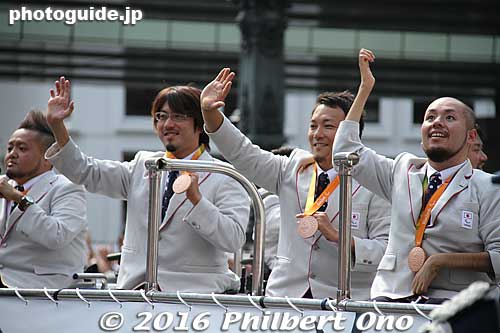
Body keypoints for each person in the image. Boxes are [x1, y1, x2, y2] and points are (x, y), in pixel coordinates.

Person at [45, 77, 250, 293]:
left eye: (178, 116)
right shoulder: (144, 164)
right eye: (161, 117)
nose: (167, 124)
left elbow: (234, 239)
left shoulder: (224, 175)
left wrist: (197, 201)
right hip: (135, 294)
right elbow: (87, 172)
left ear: (199, 124)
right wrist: (58, 127)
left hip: (194, 299)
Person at [200, 69, 391, 299]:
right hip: (286, 301)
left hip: (344, 305)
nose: (317, 134)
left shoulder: (373, 181)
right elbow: (244, 154)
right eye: (313, 126)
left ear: (349, 133)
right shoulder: (292, 167)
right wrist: (211, 114)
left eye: (328, 126)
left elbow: (386, 251)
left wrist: (342, 238)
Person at [333, 48, 500, 303]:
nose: (437, 122)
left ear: (471, 136)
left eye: (450, 117)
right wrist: (365, 88)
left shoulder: (488, 187)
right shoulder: (402, 169)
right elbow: (345, 153)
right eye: (429, 117)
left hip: (453, 305)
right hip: (390, 299)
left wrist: (440, 262)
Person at [0, 111, 87, 288]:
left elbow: (56, 236)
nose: (12, 154)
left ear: (47, 159)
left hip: (44, 289)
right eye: (10, 148)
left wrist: (19, 199)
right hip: (6, 282)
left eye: (22, 148)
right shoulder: (4, 186)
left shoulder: (67, 187)